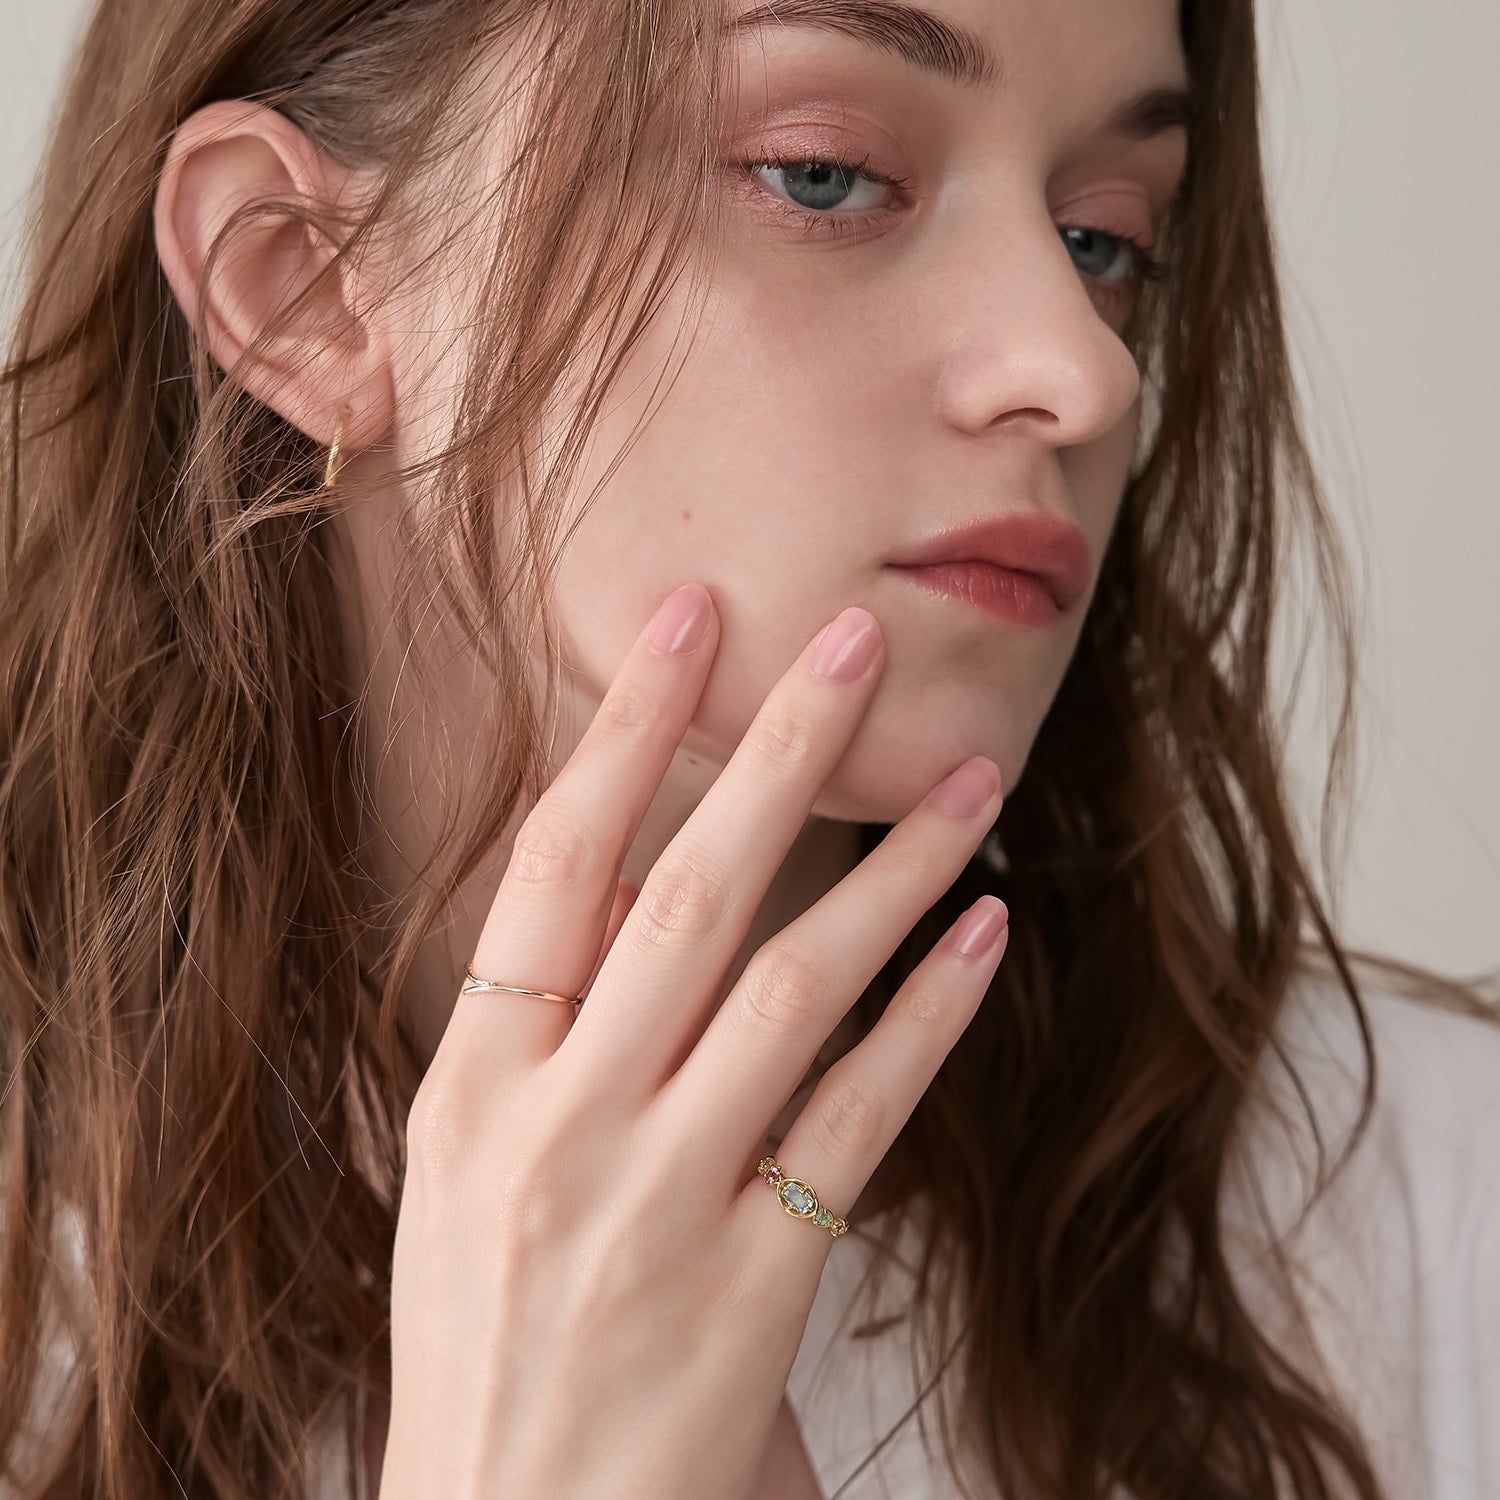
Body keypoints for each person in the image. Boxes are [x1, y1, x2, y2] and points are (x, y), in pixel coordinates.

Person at [1, 0, 1496, 1494]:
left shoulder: (1439, 1220)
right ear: (301, 284)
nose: (1084, 371)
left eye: (1103, 239)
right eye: (824, 173)